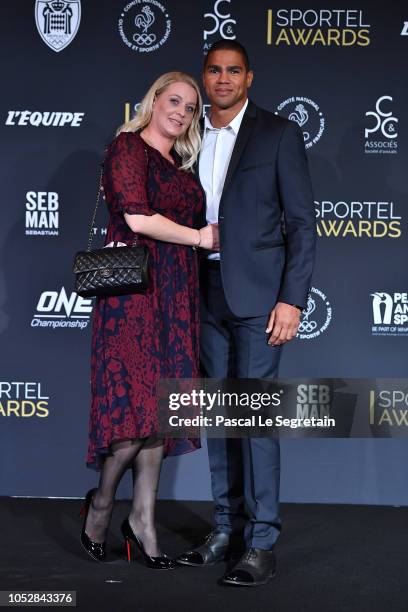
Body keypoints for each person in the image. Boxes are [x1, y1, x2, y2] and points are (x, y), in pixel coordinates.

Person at [176, 41, 316, 586]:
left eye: (234, 70)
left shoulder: (277, 134)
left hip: (259, 299)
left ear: (249, 78)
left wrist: (292, 298)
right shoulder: (187, 135)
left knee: (255, 421)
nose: (224, 79)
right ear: (204, 77)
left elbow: (302, 224)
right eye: (214, 70)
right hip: (200, 290)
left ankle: (260, 543)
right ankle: (224, 528)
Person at [81, 71, 219, 568]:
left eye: (190, 108)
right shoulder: (127, 149)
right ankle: (100, 505)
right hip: (134, 295)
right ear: (154, 100)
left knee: (160, 413)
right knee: (132, 415)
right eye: (174, 101)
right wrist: (202, 238)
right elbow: (137, 219)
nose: (181, 113)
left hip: (177, 295)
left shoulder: (181, 169)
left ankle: (142, 520)